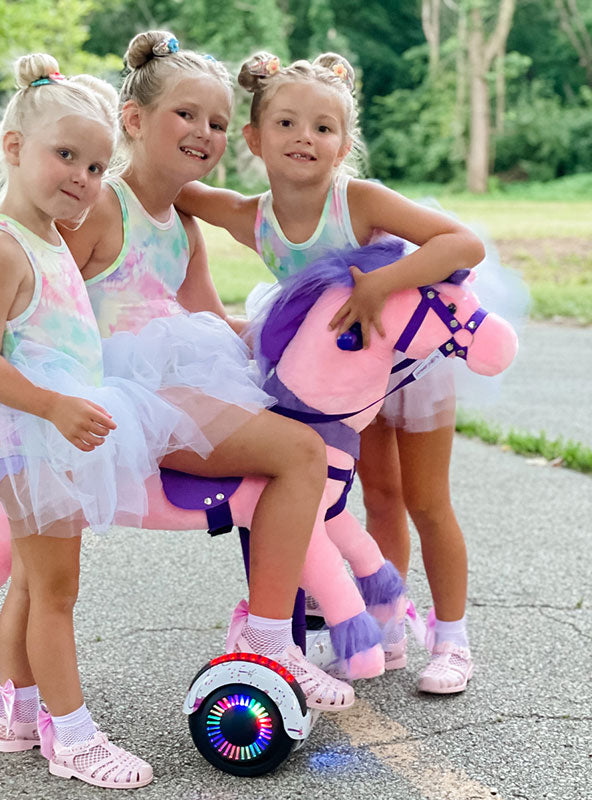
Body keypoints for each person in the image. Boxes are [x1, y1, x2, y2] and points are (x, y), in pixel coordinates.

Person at [0, 32, 354, 737]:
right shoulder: (98, 202)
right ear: (134, 120)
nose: (204, 133)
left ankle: (283, 625)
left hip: (176, 379)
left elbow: (209, 317)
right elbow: (30, 285)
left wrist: (306, 336)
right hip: (115, 389)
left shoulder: (183, 223)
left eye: (218, 123)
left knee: (306, 438)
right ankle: (269, 639)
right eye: (185, 115)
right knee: (299, 453)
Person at [0, 53, 211, 788]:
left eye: (97, 168)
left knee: (35, 583)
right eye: (65, 156)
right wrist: (56, 407)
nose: (82, 179)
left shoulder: (47, 236)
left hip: (46, 431)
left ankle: (17, 710)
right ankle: (74, 736)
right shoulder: (1, 247)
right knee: (58, 589)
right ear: (14, 150)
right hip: (24, 432)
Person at [174, 51, 491, 694]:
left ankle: (452, 637)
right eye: (287, 124)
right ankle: (386, 627)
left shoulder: (360, 201)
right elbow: (177, 189)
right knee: (365, 497)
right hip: (335, 387)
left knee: (425, 501)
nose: (305, 138)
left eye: (324, 128)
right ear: (255, 139)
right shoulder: (252, 217)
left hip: (403, 365)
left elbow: (463, 245)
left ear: (344, 144)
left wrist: (380, 285)